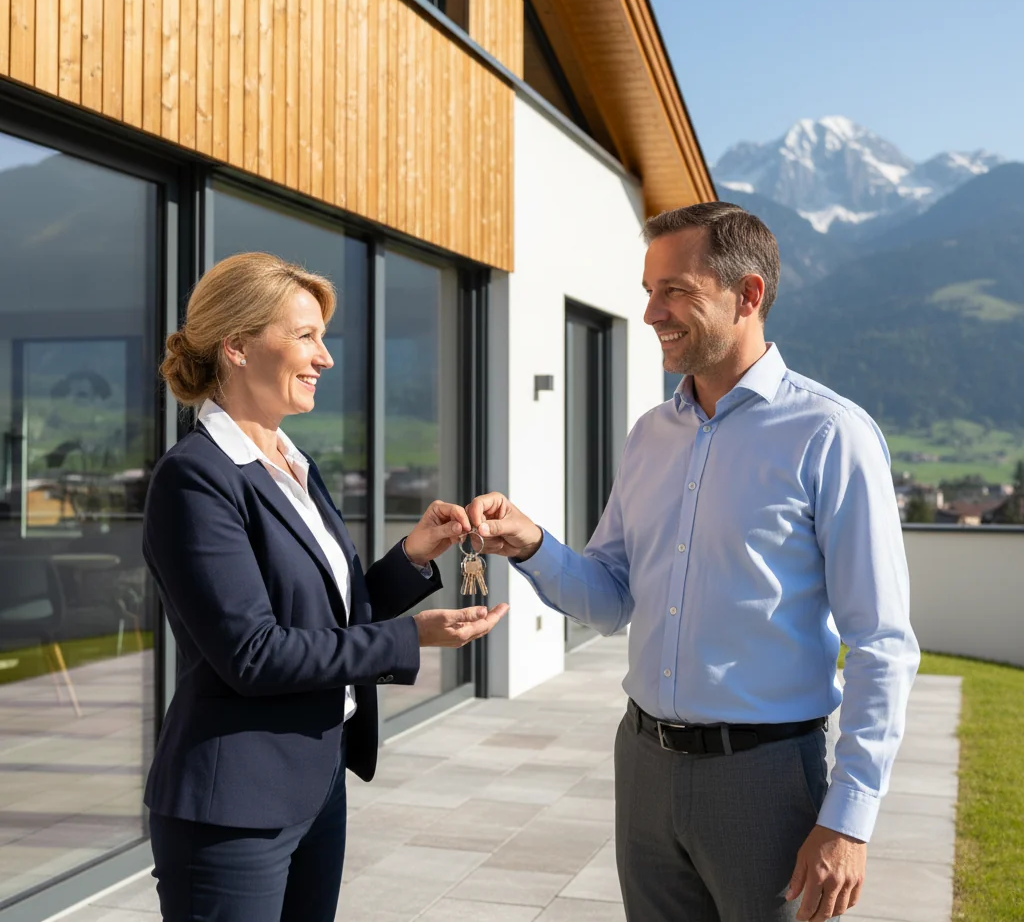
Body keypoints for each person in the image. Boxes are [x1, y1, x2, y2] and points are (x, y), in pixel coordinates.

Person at [467, 202, 920, 922]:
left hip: (768, 783)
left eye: (675, 290)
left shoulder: (831, 434)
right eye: (649, 290)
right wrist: (531, 545)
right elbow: (611, 598)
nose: (652, 312)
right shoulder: (650, 435)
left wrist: (849, 819)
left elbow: (882, 645)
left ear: (748, 296)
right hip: (642, 766)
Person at [144, 251, 508, 922]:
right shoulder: (197, 478)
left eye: (324, 338)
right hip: (235, 808)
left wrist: (412, 557)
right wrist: (411, 638)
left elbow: (323, 619)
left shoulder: (291, 463)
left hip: (314, 784)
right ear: (237, 347)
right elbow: (254, 653)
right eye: (306, 336)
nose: (325, 358)